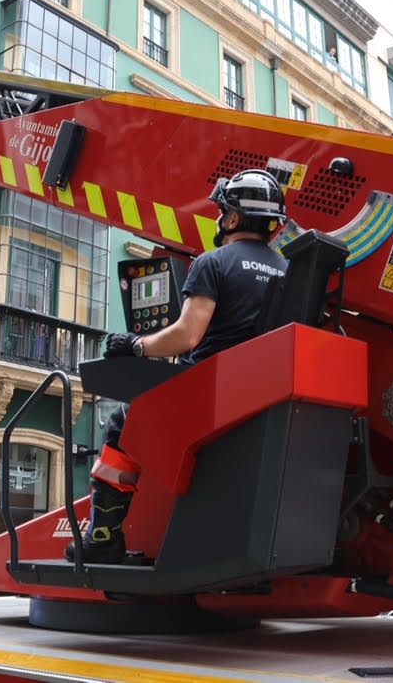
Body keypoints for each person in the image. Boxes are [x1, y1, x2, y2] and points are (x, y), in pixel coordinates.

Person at [66, 169, 289, 564]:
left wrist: (135, 345)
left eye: (223, 212)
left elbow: (187, 335)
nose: (220, 219)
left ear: (234, 218)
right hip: (262, 395)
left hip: (207, 393)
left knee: (125, 422)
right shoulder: (289, 273)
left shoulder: (213, 263)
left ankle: (103, 536)